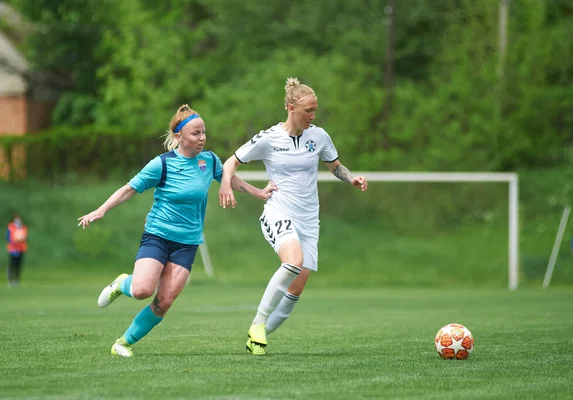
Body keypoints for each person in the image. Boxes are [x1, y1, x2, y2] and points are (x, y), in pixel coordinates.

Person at [78, 104, 276, 357]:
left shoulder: (209, 160)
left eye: (204, 132)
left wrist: (258, 192)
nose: (202, 138)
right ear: (179, 136)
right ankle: (122, 283)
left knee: (164, 302)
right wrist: (101, 209)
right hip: (158, 237)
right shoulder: (162, 164)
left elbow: (231, 179)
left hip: (187, 243)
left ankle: (123, 343)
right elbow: (129, 189)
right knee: (141, 290)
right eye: (196, 133)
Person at [218, 77, 369, 355]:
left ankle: (256, 333)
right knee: (293, 262)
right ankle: (259, 326)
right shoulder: (269, 138)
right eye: (307, 111)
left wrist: (351, 179)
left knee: (296, 288)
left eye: (315, 110)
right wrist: (226, 183)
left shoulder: (319, 136)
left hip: (309, 219)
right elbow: (231, 162)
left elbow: (335, 166)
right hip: (279, 210)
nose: (312, 116)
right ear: (290, 108)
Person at [6, 213, 28, 288]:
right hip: (13, 249)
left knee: (18, 265)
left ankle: (16, 280)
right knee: (12, 265)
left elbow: (24, 237)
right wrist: (15, 241)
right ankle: (10, 280)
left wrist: (20, 239)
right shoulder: (11, 227)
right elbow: (9, 238)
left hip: (21, 249)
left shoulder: (23, 228)